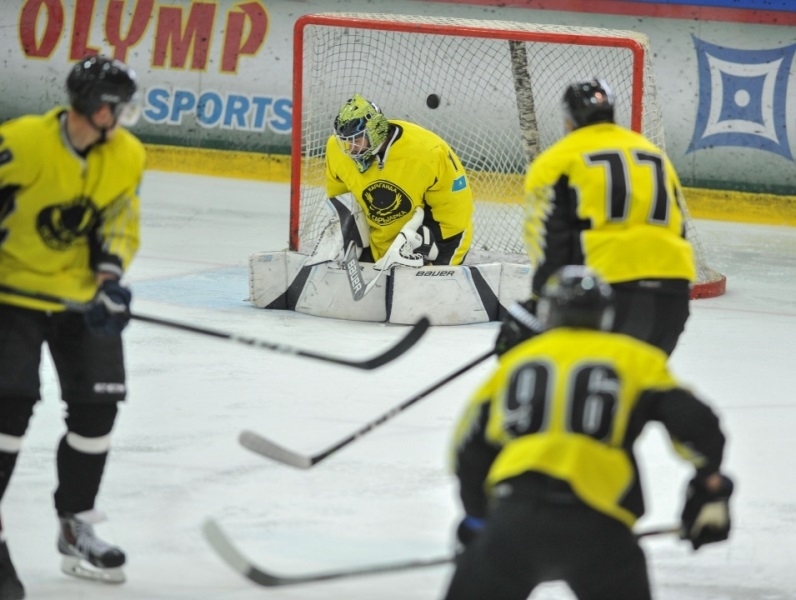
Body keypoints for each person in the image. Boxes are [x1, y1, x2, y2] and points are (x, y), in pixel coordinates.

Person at [444, 265, 733, 600]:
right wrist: (711, 484)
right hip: (601, 527)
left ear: (549, 313)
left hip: (516, 520)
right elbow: (698, 424)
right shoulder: (635, 358)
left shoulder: (517, 362)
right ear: (605, 315)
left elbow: (468, 449)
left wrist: (477, 519)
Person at [0, 55, 145, 597]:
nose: (124, 115)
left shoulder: (127, 154)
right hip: (10, 295)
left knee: (97, 410)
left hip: (80, 299)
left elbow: (120, 218)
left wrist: (110, 279)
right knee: (8, 411)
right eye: (117, 106)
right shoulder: (23, 142)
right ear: (94, 107)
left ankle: (75, 524)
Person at [495, 78, 695, 358]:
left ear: (569, 119)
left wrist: (540, 299)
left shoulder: (556, 160)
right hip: (673, 292)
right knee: (641, 379)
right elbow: (678, 227)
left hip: (603, 292)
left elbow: (548, 238)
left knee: (590, 378)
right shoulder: (653, 154)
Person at [324, 93, 474, 271]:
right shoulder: (337, 151)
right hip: (380, 246)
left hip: (434, 242)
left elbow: (455, 212)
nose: (351, 149)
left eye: (357, 140)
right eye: (345, 142)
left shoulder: (430, 152)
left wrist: (430, 246)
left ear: (375, 131)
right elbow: (342, 202)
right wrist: (347, 234)